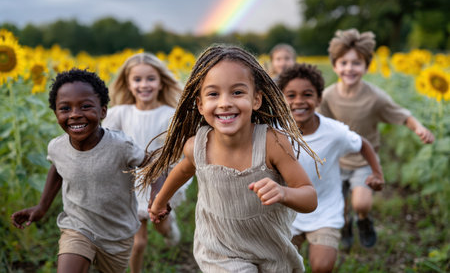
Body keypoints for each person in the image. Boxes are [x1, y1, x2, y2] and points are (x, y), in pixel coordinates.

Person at [138, 45, 322, 272]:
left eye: (237, 92)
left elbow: (309, 197)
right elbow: (183, 171)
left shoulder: (272, 143)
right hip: (219, 248)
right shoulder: (198, 146)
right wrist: (159, 202)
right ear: (200, 104)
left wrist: (283, 193)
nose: (225, 102)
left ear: (256, 100)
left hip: (271, 246)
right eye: (213, 94)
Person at [11, 68, 145, 273]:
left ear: (103, 111)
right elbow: (58, 169)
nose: (75, 114)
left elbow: (151, 165)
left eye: (85, 106)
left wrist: (158, 195)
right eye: (65, 108)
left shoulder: (121, 146)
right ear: (55, 113)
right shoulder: (57, 147)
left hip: (117, 233)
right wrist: (41, 207)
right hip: (77, 226)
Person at [319, 29, 435, 249]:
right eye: (344, 63)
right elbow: (316, 122)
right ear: (335, 66)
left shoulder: (375, 97)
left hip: (364, 161)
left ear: (366, 66)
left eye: (356, 63)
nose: (349, 68)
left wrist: (419, 128)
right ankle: (345, 225)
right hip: (335, 162)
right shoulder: (328, 95)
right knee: (339, 208)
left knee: (361, 203)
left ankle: (363, 220)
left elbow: (402, 114)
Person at [277, 63, 383, 272]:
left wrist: (377, 173)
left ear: (318, 99)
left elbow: (363, 144)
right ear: (281, 99)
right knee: (280, 267)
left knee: (322, 266)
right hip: (287, 213)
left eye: (307, 94)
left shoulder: (334, 132)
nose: (299, 101)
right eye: (290, 95)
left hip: (325, 210)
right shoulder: (275, 132)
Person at [102, 52, 185, 273]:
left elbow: (179, 155)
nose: (144, 85)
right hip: (129, 185)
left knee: (162, 227)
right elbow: (105, 142)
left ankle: (171, 230)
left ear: (160, 82)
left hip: (160, 184)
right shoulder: (119, 113)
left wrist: (169, 187)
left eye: (150, 79)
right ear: (128, 84)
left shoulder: (171, 116)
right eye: (137, 79)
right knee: (137, 243)